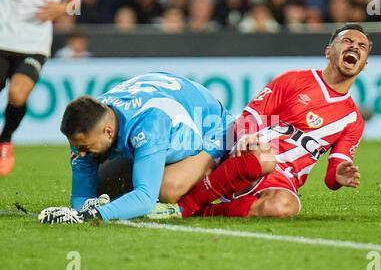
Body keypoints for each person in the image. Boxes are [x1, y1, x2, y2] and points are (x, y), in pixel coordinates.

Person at [149, 23, 371, 219]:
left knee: (286, 206)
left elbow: (332, 175)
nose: (354, 47)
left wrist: (339, 174)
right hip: (249, 155)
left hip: (282, 179)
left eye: (362, 46)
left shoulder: (352, 119)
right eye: (347, 41)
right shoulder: (294, 80)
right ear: (329, 51)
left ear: (364, 64)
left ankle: (201, 210)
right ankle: (183, 205)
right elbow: (250, 116)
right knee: (168, 190)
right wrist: (247, 138)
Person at [39, 72, 258, 224]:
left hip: (213, 128)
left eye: (85, 148)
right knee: (103, 188)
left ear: (108, 132)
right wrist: (82, 208)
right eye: (76, 147)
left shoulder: (149, 124)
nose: (80, 154)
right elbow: (81, 195)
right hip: (167, 118)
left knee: (167, 190)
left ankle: (204, 185)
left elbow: (144, 198)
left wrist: (90, 216)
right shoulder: (92, 120)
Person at [0, 0, 73, 176]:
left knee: (17, 95)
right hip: (2, 38)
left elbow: (75, 0)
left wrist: (63, 8)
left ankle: (5, 140)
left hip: (33, 45)